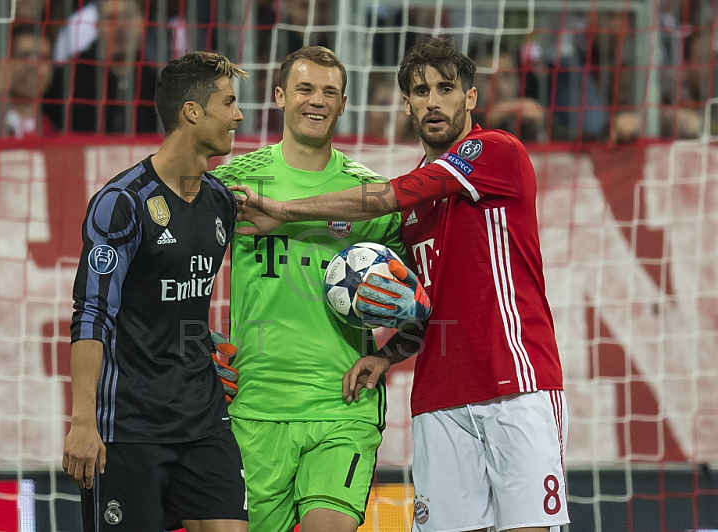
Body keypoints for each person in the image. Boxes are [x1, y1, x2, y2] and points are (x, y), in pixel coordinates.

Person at [232, 36, 569, 532]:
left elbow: (388, 196)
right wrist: (386, 355)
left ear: (470, 98)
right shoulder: (414, 207)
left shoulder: (495, 151)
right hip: (437, 399)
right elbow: (421, 304)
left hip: (513, 383)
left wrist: (282, 212)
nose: (433, 101)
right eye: (420, 91)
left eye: (446, 89)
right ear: (407, 104)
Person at [209, 46, 414, 532]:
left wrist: (389, 355)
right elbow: (173, 269)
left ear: (344, 104)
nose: (316, 101)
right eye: (304, 88)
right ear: (280, 95)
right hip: (254, 409)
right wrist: (193, 346)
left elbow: (420, 300)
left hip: (343, 407)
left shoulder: (372, 197)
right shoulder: (232, 182)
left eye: (329, 92)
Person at [62, 51, 248, 532]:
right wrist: (84, 421)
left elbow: (175, 297)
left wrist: (201, 340)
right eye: (228, 103)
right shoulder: (122, 202)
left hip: (203, 418)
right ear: (192, 112)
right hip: (130, 427)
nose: (239, 115)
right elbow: (92, 314)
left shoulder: (220, 201)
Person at [45, 0, 158, 134]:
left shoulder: (156, 83)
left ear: (142, 23)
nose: (120, 26)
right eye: (110, 18)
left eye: (127, 17)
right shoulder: (66, 80)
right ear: (97, 25)